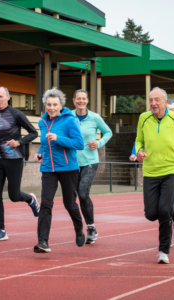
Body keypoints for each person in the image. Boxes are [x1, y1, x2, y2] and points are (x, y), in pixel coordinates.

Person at [135, 87, 174, 264]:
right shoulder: (143, 118)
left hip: (171, 170)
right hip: (150, 171)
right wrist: (139, 151)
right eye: (150, 100)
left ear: (165, 102)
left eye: (157, 100)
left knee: (164, 211)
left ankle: (163, 251)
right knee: (151, 214)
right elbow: (139, 140)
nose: (153, 103)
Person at [0, 87, 39, 242]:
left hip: (14, 159)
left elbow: (34, 132)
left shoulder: (16, 114)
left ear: (8, 97)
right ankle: (1, 229)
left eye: (1, 97)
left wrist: (18, 142)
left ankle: (31, 199)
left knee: (14, 195)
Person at [33, 87, 85, 253]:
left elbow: (79, 144)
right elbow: (44, 143)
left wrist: (59, 139)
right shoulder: (42, 122)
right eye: (49, 104)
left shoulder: (70, 120)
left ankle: (79, 228)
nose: (51, 107)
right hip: (48, 167)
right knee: (46, 203)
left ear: (61, 105)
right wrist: (40, 153)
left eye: (55, 104)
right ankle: (43, 241)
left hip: (68, 167)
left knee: (69, 204)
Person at [71, 89, 113, 244]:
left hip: (90, 161)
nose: (81, 101)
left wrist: (99, 143)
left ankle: (90, 227)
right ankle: (85, 228)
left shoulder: (94, 117)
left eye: (84, 98)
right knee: (74, 196)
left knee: (82, 193)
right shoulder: (68, 116)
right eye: (78, 98)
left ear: (87, 101)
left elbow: (108, 132)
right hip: (72, 162)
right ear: (74, 100)